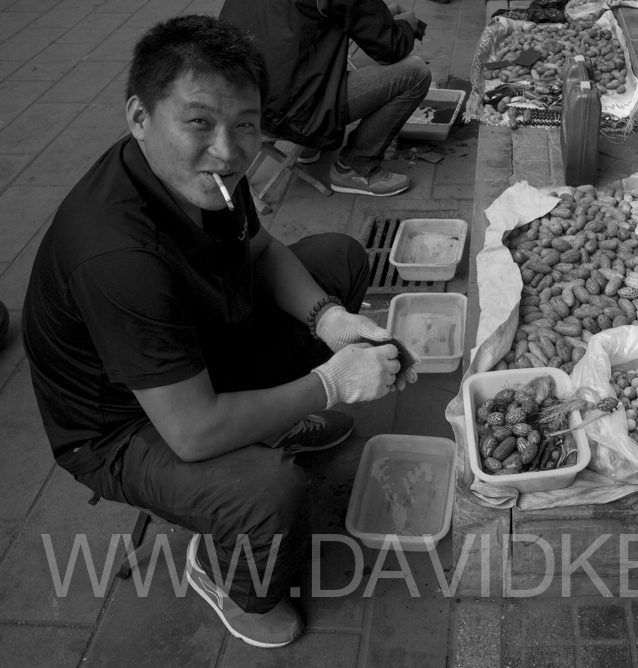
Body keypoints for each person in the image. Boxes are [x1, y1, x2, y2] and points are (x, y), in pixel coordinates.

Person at [22, 15, 418, 649]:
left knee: (340, 259)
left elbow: (259, 249)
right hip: (126, 425)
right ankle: (228, 575)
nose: (229, 151)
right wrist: (329, 383)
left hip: (199, 346)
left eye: (247, 124)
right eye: (199, 121)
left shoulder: (211, 181)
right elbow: (193, 429)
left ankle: (273, 418)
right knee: (269, 492)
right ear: (139, 117)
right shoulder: (118, 254)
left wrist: (329, 319)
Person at [220, 0, 432, 197]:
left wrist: (377, 17)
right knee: (416, 73)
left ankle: (310, 146)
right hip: (292, 113)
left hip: (240, 107)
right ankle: (356, 167)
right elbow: (390, 49)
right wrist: (405, 27)